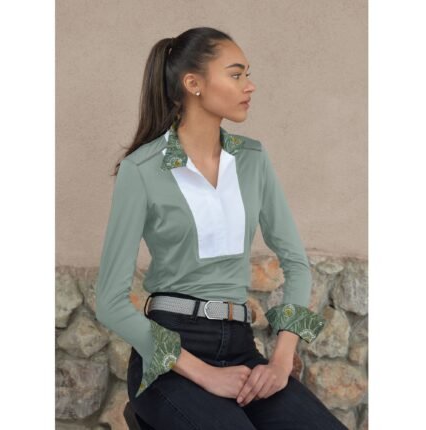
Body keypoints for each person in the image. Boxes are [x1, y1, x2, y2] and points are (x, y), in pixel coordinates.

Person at [96, 26, 348, 430]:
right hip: (171, 358)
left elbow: (297, 264)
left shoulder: (253, 160)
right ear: (193, 84)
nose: (249, 85)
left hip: (241, 347)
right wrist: (206, 375)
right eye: (235, 74)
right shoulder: (141, 169)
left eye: (247, 74)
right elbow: (109, 302)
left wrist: (281, 361)